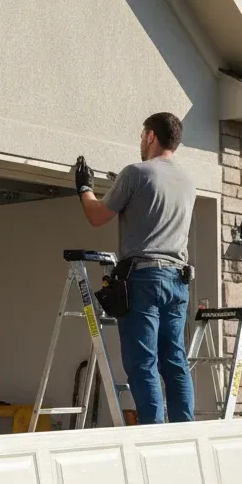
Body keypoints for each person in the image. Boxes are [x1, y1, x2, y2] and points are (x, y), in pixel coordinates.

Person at [74, 111, 197, 425]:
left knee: (143, 362)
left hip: (144, 279)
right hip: (178, 279)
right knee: (174, 361)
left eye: (143, 135)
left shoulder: (137, 173)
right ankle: (185, 431)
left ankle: (152, 436)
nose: (141, 141)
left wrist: (84, 188)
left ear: (152, 137)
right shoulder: (187, 181)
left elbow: (98, 216)